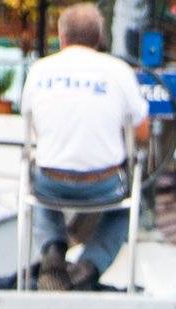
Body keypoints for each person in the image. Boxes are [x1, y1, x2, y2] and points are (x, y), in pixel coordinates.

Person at [19, 3, 150, 291]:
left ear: (61, 36)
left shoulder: (40, 70)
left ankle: (53, 249)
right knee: (129, 205)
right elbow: (142, 132)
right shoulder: (118, 70)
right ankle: (90, 266)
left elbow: (34, 126)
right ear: (99, 38)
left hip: (51, 181)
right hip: (103, 184)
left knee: (35, 180)